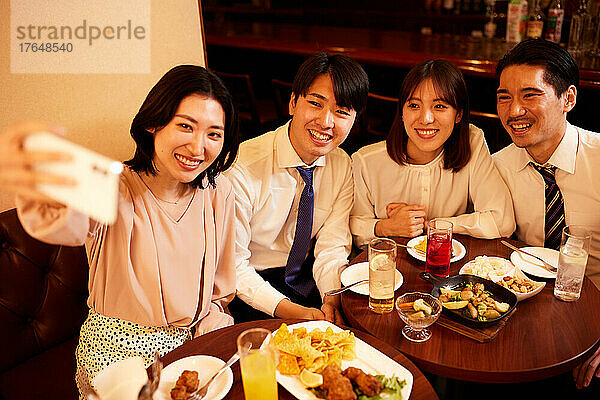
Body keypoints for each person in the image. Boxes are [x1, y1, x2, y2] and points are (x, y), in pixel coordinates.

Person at [0, 65, 240, 397]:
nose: (199, 148)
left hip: (192, 344)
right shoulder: (113, 186)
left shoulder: (219, 192)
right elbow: (64, 224)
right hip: (116, 355)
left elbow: (219, 293)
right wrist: (38, 175)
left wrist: (213, 339)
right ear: (154, 123)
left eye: (214, 133)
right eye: (186, 126)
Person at [226, 52, 368, 323]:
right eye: (316, 104)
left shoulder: (342, 165)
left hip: (309, 278)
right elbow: (234, 266)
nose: (326, 122)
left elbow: (332, 245)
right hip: (250, 287)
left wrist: (330, 298)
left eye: (341, 112)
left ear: (354, 120)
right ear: (293, 102)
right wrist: (296, 313)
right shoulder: (243, 169)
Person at [492, 39, 600, 392]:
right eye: (504, 97)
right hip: (523, 316)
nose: (514, 111)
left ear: (568, 98)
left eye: (530, 95)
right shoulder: (498, 167)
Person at [350, 59, 514, 249]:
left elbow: (501, 222)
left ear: (458, 114)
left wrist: (432, 225)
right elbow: (354, 233)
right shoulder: (366, 161)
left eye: (439, 106)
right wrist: (386, 227)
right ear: (402, 112)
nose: (426, 119)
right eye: (414, 106)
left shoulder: (472, 142)